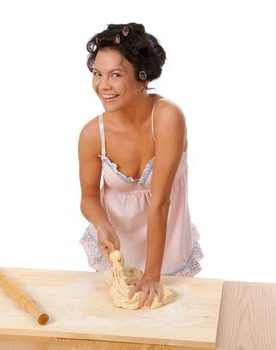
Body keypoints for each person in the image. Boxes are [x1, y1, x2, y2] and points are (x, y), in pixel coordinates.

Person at [78, 23, 203, 307]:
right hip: (117, 245)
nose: (103, 85)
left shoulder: (167, 118)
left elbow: (160, 202)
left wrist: (152, 275)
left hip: (166, 243)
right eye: (97, 74)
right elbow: (88, 196)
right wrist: (101, 226)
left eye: (116, 75)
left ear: (143, 78)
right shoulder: (91, 134)